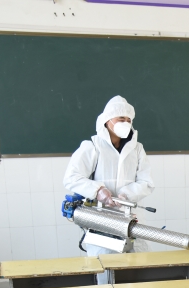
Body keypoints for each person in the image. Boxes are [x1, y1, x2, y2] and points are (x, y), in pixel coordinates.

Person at [63, 95, 155, 263]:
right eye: (121, 119)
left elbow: (146, 182)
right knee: (105, 267)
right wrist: (98, 191)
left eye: (129, 120)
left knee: (140, 265)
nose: (125, 123)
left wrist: (126, 195)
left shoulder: (137, 149)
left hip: (133, 218)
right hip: (102, 218)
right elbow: (71, 178)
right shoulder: (92, 147)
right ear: (107, 121)